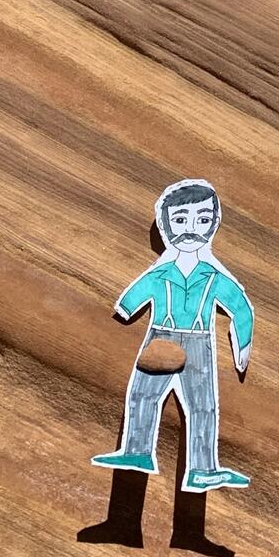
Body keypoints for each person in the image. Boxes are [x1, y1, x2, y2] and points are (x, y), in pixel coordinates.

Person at [91, 178, 253, 491]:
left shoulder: (215, 277)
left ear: (213, 223)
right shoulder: (160, 273)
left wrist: (242, 348)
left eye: (202, 219)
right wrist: (126, 308)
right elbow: (127, 305)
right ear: (166, 223)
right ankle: (137, 451)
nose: (191, 228)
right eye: (180, 220)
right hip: (160, 337)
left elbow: (242, 310)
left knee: (202, 405)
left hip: (198, 343)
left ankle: (204, 469)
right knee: (142, 396)